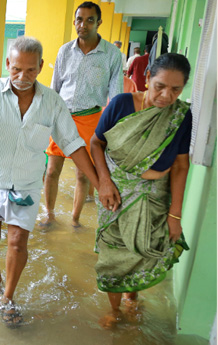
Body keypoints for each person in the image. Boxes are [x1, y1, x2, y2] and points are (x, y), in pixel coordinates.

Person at [0, 36, 103, 328]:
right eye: (16, 69)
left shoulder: (52, 102)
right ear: (7, 64)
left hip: (26, 186)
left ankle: (7, 297)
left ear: (40, 67)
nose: (22, 77)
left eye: (30, 70)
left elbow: (73, 144)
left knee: (16, 243)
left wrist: (99, 183)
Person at [90, 53, 192, 329]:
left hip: (155, 197)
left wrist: (175, 215)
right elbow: (96, 143)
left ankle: (132, 298)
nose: (166, 96)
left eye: (175, 89)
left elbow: (182, 166)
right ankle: (115, 310)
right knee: (113, 253)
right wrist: (104, 182)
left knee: (141, 252)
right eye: (160, 86)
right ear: (146, 78)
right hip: (115, 195)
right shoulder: (122, 104)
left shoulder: (180, 116)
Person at [41, 1, 123, 228]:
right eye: (79, 19)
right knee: (52, 170)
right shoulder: (64, 51)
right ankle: (49, 215)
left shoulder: (112, 55)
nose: (83, 24)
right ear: (74, 21)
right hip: (61, 117)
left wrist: (113, 130)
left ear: (99, 23)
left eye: (89, 20)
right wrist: (48, 119)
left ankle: (75, 220)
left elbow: (116, 96)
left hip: (91, 119)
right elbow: (54, 88)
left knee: (82, 175)